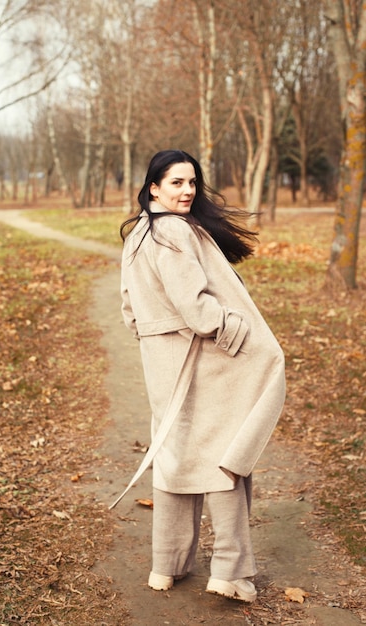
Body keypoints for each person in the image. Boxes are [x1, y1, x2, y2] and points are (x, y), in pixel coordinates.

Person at [118, 149, 286, 603]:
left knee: (177, 457)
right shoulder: (172, 232)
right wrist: (234, 330)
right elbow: (196, 308)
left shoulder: (138, 233)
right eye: (176, 183)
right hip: (202, 358)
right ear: (154, 187)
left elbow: (130, 310)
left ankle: (166, 566)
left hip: (163, 363)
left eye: (192, 182)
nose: (188, 191)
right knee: (225, 457)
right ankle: (229, 572)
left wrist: (158, 339)